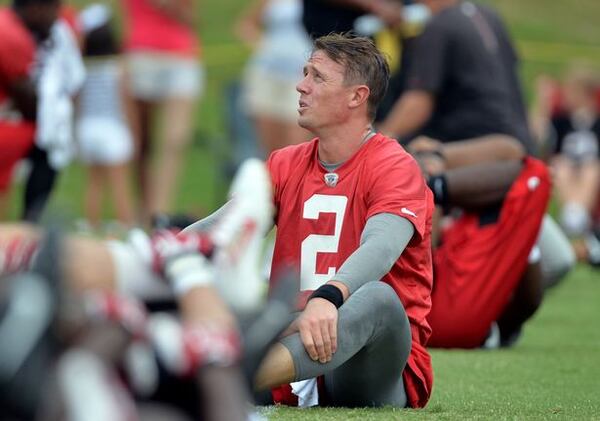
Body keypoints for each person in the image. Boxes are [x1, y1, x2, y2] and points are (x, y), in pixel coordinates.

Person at [248, 33, 434, 409]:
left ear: (356, 97)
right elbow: (228, 229)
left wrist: (328, 297)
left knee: (379, 298)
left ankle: (239, 379)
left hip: (365, 363)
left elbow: (381, 247)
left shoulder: (394, 165)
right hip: (292, 347)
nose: (300, 86)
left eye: (317, 77)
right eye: (304, 74)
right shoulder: (285, 162)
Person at [379, 0, 574, 288]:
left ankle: (474, 326)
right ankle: (490, 327)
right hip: (515, 158)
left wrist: (379, 140)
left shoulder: (440, 25)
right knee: (555, 260)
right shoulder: (489, 16)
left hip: (472, 164)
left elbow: (419, 101)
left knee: (433, 262)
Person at [121, 0, 203, 223]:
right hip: (141, 53)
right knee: (140, 142)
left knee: (175, 140)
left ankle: (160, 212)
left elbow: (191, 17)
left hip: (180, 55)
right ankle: (144, 206)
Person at [530, 69, 600, 266]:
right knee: (561, 166)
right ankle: (575, 217)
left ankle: (575, 217)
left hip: (592, 170)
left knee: (590, 169)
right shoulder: (562, 121)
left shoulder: (596, 121)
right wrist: (542, 102)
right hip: (566, 168)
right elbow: (537, 135)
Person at [75, 4, 136, 229]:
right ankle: (127, 224)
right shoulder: (118, 68)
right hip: (113, 128)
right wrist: (134, 131)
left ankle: (92, 223)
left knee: (94, 182)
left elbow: (78, 102)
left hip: (87, 128)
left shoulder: (82, 68)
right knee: (120, 182)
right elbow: (126, 102)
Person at [0, 0, 59, 220]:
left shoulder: (4, 22)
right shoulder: (13, 35)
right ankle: (29, 226)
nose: (56, 18)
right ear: (36, 7)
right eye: (54, 9)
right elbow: (29, 101)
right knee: (51, 144)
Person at [235, 0, 312, 155]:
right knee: (270, 149)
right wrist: (263, 47)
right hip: (267, 73)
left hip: (302, 77)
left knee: (297, 145)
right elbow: (246, 24)